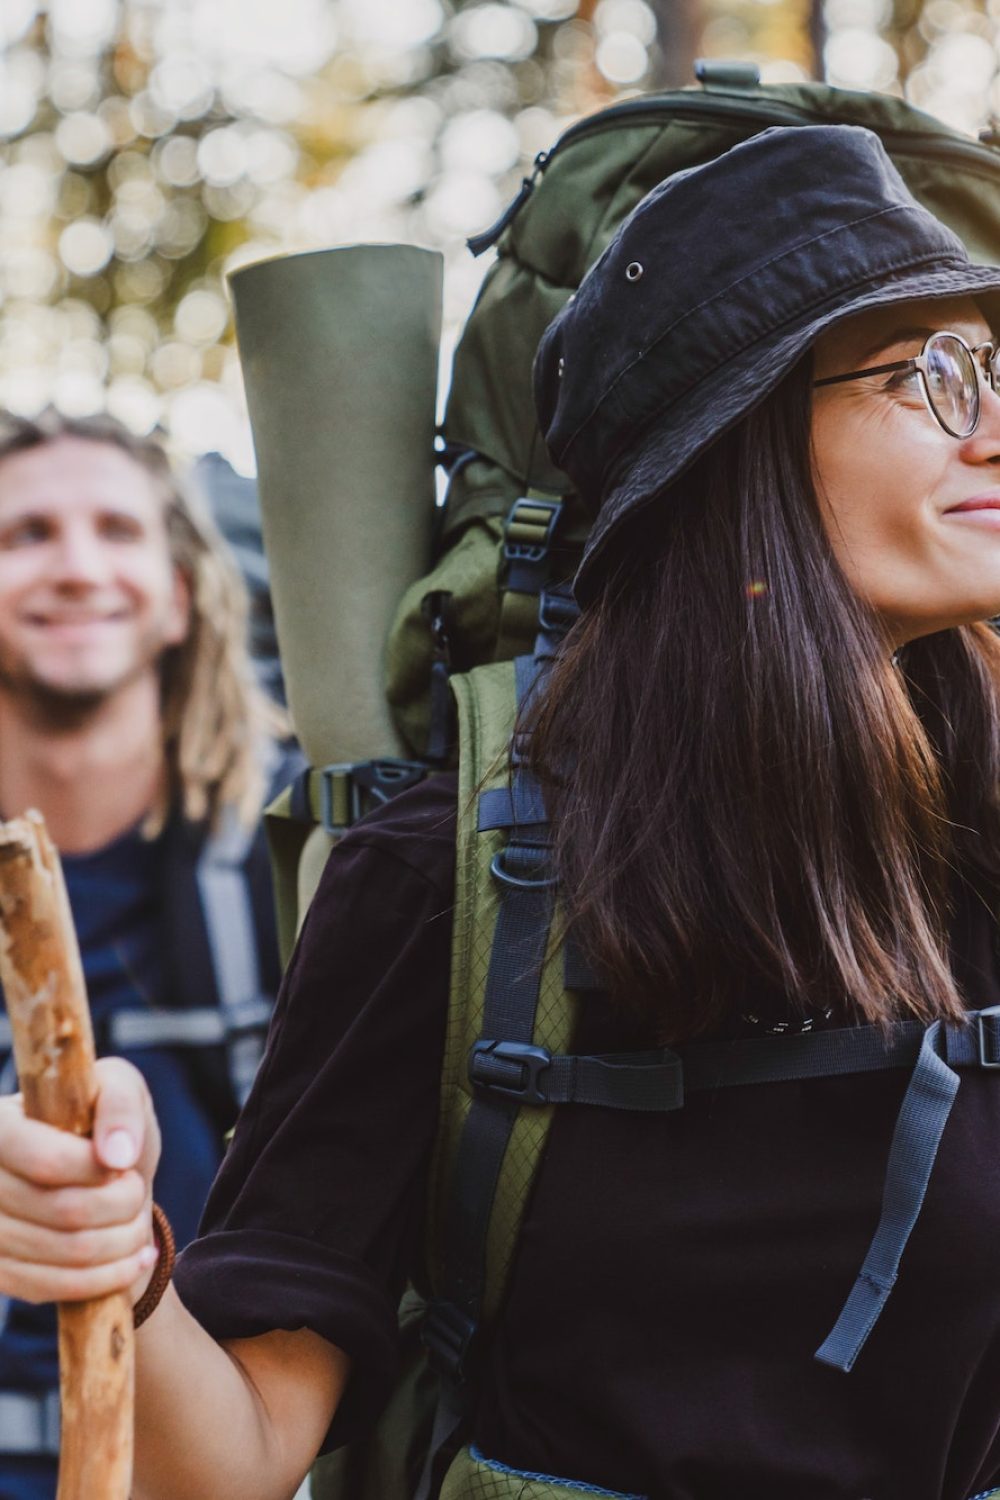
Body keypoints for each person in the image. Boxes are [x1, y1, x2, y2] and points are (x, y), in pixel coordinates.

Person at [0, 121, 998, 1500]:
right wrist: (119, 1262)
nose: (991, 422)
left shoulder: (982, 843)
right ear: (738, 444)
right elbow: (223, 1465)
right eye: (931, 375)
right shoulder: (459, 874)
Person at [0, 410, 296, 1500]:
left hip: (216, 1461)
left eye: (116, 531)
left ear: (178, 596)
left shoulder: (306, 855)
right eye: (25, 535)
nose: (77, 568)